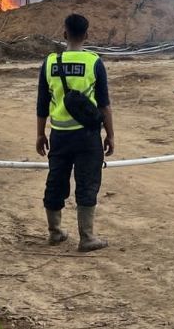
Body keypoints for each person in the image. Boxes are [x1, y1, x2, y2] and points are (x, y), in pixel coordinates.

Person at [36, 13, 115, 252]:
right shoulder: (94, 62)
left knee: (56, 180)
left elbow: (42, 103)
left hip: (59, 135)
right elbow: (104, 104)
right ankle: (87, 237)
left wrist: (40, 134)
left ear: (64, 34)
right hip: (87, 136)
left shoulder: (50, 62)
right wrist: (110, 135)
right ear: (87, 35)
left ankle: (55, 232)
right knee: (87, 182)